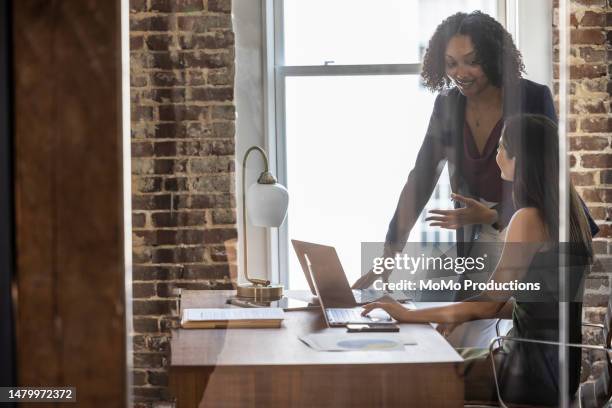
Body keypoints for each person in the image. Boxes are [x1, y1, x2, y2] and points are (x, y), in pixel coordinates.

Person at [353, 11, 597, 291]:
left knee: (515, 321)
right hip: (482, 230)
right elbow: (420, 178)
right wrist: (389, 254)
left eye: (472, 62)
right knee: (461, 326)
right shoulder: (447, 106)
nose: (460, 73)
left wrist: (494, 215)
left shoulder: (531, 97)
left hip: (536, 228)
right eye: (451, 63)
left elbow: (549, 179)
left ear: (493, 57)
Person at [362, 114, 593, 405]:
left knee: (409, 375)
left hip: (526, 371)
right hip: (559, 371)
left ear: (519, 158)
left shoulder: (528, 219)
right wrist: (450, 314)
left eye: (500, 147)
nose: (496, 155)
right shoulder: (570, 217)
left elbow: (490, 302)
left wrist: (408, 314)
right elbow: (534, 307)